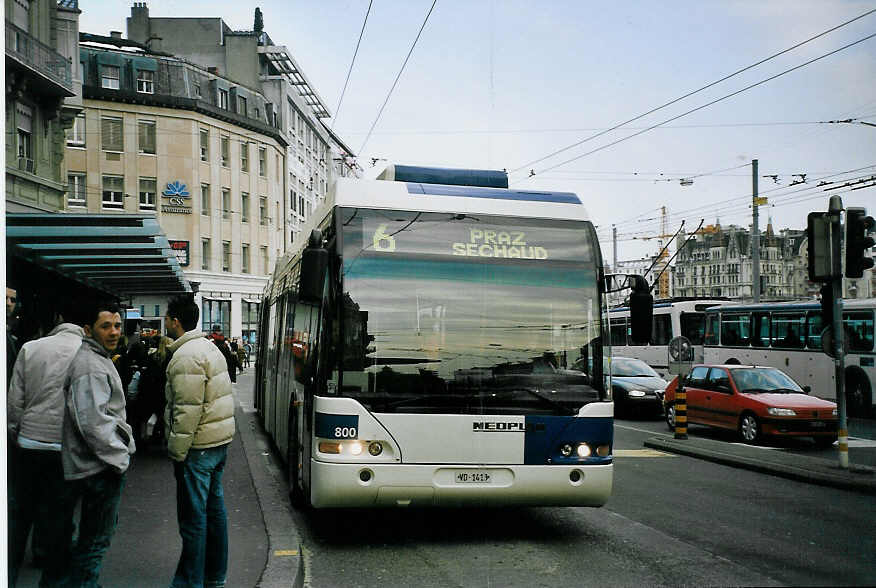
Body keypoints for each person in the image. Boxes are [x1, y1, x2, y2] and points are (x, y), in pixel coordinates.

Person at [7, 301, 84, 586]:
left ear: (58, 318)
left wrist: (15, 433)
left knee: (21, 512)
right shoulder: (85, 353)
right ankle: (49, 565)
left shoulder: (31, 348)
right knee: (59, 516)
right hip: (64, 448)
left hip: (29, 442)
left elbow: (15, 402)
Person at [62, 300, 136, 587]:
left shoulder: (97, 358)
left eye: (118, 325)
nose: (114, 332)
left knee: (91, 543)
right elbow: (93, 424)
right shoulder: (91, 366)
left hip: (95, 466)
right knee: (94, 544)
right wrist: (120, 459)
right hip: (99, 469)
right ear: (88, 330)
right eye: (106, 326)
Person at [164, 295, 235, 588]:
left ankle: (190, 582)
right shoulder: (208, 347)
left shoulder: (185, 356)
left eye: (167, 318)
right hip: (218, 443)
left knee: (193, 520)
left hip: (199, 448)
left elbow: (186, 411)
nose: (166, 323)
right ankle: (214, 577)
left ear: (176, 322)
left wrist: (176, 452)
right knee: (215, 513)